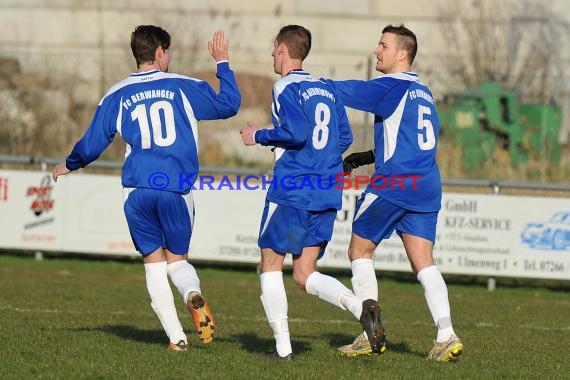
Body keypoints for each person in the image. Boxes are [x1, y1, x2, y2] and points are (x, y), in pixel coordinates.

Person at [52, 25, 241, 351]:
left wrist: (70, 163)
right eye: (167, 51)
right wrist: (222, 63)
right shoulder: (183, 85)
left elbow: (95, 141)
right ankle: (192, 295)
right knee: (178, 261)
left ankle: (176, 339)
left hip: (137, 189)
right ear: (159, 53)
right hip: (175, 188)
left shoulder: (117, 93)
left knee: (153, 263)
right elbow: (228, 105)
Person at [240, 24, 384, 361]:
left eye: (274, 50)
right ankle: (360, 307)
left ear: (283, 50)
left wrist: (259, 135)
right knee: (305, 273)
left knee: (270, 263)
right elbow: (344, 138)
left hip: (294, 188)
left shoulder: (284, 87)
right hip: (326, 190)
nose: (272, 56)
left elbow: (297, 131)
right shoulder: (326, 89)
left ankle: (283, 350)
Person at [327, 24, 463, 362]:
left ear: (402, 54)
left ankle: (367, 331)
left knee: (359, 251)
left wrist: (312, 83)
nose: (377, 50)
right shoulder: (424, 92)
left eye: (383, 45)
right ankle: (446, 334)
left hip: (395, 183)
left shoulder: (390, 87)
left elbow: (347, 91)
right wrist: (367, 156)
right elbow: (409, 142)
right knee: (424, 264)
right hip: (426, 185)